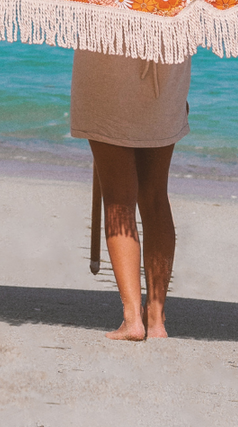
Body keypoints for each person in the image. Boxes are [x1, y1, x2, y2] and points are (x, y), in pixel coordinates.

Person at [70, 49, 191, 340]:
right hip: (165, 72)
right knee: (155, 197)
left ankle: (132, 319)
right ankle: (156, 319)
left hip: (105, 66)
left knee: (118, 200)